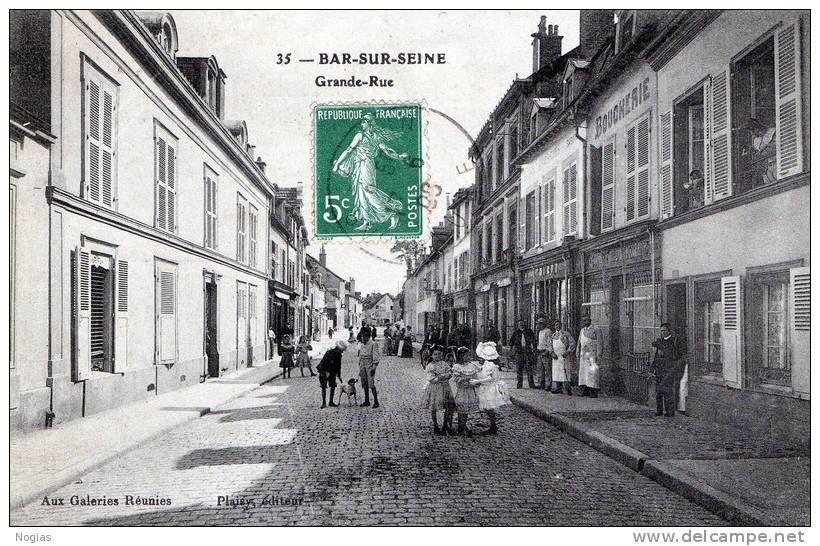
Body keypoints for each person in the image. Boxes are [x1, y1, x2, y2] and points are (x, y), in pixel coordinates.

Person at [331, 112, 407, 231]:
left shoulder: (369, 136)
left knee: (368, 190)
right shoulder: (362, 135)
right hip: (359, 166)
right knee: (361, 193)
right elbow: (349, 150)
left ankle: (391, 212)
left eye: (364, 121)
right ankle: (367, 222)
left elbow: (386, 150)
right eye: (362, 121)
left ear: (369, 123)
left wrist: (399, 156)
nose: (362, 123)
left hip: (366, 165)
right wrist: (338, 163)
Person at [470, 342, 510, 435]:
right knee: (487, 408)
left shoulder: (490, 365)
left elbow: (490, 378)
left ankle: (493, 425)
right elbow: (483, 373)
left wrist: (477, 382)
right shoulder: (487, 364)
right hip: (486, 387)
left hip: (490, 389)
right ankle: (493, 425)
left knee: (489, 407)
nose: (480, 359)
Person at [651, 323, 686, 417]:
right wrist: (652, 369)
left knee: (668, 391)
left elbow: (678, 356)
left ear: (669, 331)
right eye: (661, 331)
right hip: (659, 370)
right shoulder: (659, 341)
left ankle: (670, 411)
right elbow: (656, 356)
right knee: (658, 391)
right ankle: (659, 410)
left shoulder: (674, 341)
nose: (662, 333)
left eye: (664, 331)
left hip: (668, 370)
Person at [421, 345, 454, 435]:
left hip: (445, 387)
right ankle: (435, 425)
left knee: (448, 406)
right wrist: (443, 376)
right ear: (431, 355)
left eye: (439, 354)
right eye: (435, 354)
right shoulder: (430, 366)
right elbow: (432, 379)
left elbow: (450, 372)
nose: (438, 356)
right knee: (434, 406)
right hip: (435, 388)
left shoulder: (444, 364)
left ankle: (444, 425)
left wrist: (442, 376)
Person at [451, 348, 480, 436]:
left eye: (469, 355)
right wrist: (464, 379)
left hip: (470, 390)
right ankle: (460, 428)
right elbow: (456, 378)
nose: (468, 357)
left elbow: (475, 377)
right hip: (462, 391)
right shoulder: (457, 367)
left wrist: (475, 382)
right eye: (466, 355)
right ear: (460, 356)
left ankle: (463, 427)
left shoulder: (472, 366)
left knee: (466, 411)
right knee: (461, 410)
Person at [743, 118, 777, 187]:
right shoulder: (756, 141)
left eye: (752, 132)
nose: (753, 135)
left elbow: (772, 149)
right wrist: (748, 153)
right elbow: (755, 152)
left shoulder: (773, 132)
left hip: (776, 165)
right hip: (766, 171)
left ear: (757, 128)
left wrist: (757, 155)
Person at [576, 316, 603, 397]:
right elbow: (579, 343)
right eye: (583, 320)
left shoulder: (596, 329)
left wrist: (599, 355)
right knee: (583, 373)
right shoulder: (582, 330)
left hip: (592, 355)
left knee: (592, 373)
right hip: (583, 356)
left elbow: (599, 343)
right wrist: (577, 353)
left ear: (590, 320)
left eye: (586, 320)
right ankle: (584, 390)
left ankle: (593, 391)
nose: (584, 322)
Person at [318, 340, 347, 408]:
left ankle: (324, 403)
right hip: (327, 371)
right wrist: (338, 374)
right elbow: (338, 365)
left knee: (324, 387)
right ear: (340, 349)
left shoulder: (329, 351)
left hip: (324, 371)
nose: (343, 351)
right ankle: (330, 402)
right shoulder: (338, 354)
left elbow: (322, 362)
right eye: (342, 350)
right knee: (332, 386)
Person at [509, 319, 537, 389]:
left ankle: (531, 385)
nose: (521, 325)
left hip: (527, 352)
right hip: (519, 352)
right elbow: (511, 342)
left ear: (524, 324)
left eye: (522, 323)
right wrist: (512, 350)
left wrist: (534, 349)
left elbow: (534, 341)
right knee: (519, 369)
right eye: (519, 324)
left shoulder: (529, 331)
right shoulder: (516, 332)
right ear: (518, 325)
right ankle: (519, 385)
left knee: (529, 368)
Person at [358, 328, 381, 407]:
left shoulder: (373, 344)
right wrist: (360, 369)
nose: (362, 339)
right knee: (364, 384)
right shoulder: (361, 345)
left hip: (369, 366)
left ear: (368, 337)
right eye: (362, 337)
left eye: (364, 337)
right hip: (362, 366)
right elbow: (360, 357)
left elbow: (376, 357)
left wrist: (373, 368)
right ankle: (366, 400)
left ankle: (376, 401)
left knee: (371, 384)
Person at [550, 320, 575, 394]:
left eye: (559, 324)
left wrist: (568, 351)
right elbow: (550, 345)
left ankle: (568, 389)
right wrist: (552, 353)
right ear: (554, 326)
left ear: (561, 325)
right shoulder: (553, 335)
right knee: (556, 372)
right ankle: (558, 388)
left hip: (564, 356)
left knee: (565, 372)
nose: (557, 326)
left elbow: (572, 343)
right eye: (556, 325)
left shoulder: (566, 334)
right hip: (555, 357)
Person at [535, 317, 554, 390]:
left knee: (547, 369)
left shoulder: (548, 331)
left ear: (542, 324)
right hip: (540, 352)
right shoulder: (540, 332)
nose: (538, 326)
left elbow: (549, 343)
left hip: (545, 352)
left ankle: (548, 384)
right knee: (540, 369)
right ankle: (541, 384)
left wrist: (547, 351)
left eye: (539, 324)